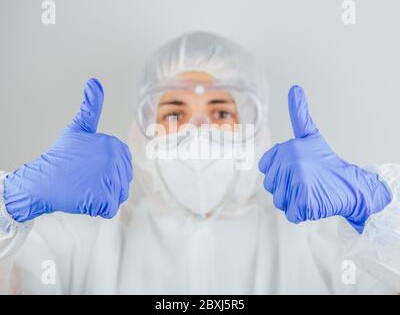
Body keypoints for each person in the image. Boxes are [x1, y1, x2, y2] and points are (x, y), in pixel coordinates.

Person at [0, 31, 399, 294]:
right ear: (141, 134)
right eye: (174, 113)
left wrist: (376, 211)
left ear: (255, 133)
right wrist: (11, 205)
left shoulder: (317, 241)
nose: (198, 130)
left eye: (221, 113)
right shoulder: (82, 243)